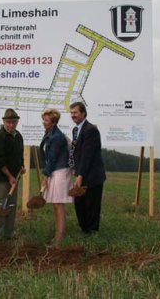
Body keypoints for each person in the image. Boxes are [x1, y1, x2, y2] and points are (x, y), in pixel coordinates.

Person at [69, 102, 106, 234]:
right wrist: (74, 168)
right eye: (71, 112)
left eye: (76, 112)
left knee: (91, 205)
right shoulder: (75, 130)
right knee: (79, 203)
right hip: (82, 173)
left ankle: (92, 232)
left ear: (83, 113)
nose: (73, 115)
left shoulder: (91, 130)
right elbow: (76, 153)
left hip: (93, 175)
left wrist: (80, 175)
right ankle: (84, 230)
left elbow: (87, 155)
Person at [0, 108, 25, 240]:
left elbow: (20, 155)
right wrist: (9, 176)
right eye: (9, 122)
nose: (11, 125)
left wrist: (22, 166)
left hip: (14, 179)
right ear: (4, 122)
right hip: (0, 179)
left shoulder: (18, 136)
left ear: (17, 122)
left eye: (14, 122)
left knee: (10, 206)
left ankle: (8, 234)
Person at [39, 108, 73, 246]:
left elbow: (52, 158)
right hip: (54, 170)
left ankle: (59, 239)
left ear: (53, 122)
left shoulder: (57, 136)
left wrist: (45, 176)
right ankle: (58, 236)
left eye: (46, 120)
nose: (43, 122)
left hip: (60, 171)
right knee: (55, 204)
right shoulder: (49, 133)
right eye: (44, 119)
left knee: (58, 204)